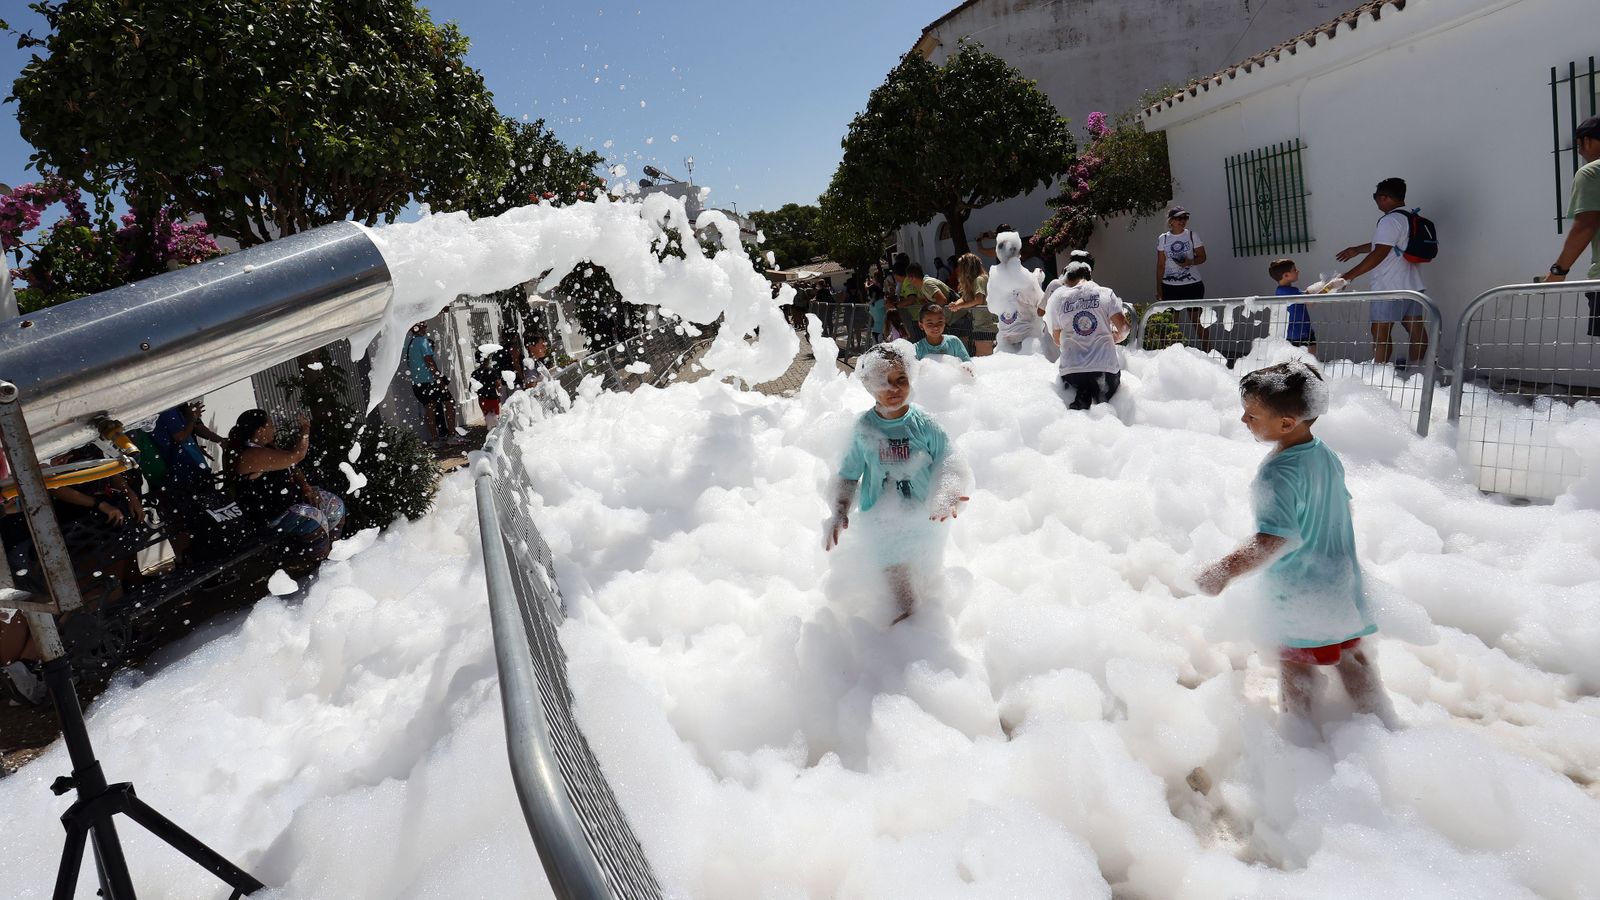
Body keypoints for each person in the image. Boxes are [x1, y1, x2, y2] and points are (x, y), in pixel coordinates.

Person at [1196, 362, 1396, 740]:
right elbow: (1343, 507)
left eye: (1252, 415)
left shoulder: (1278, 473)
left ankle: (1299, 739)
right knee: (1351, 654)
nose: (1243, 419)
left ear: (1287, 423)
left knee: (1296, 664)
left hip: (1300, 591)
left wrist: (1221, 571)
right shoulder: (1325, 455)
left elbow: (1275, 540)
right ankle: (1381, 720)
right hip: (1341, 581)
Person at [824, 342, 970, 624]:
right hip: (880, 517)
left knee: (924, 568)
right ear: (869, 385)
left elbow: (949, 458)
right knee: (895, 571)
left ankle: (924, 612)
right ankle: (909, 616)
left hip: (923, 513)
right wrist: (840, 508)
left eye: (901, 379)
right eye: (884, 382)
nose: (894, 389)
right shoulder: (864, 428)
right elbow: (849, 474)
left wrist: (949, 490)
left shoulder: (924, 423)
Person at [226, 409, 346, 561]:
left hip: (291, 503)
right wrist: (305, 428)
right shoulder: (249, 456)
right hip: (271, 517)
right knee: (314, 518)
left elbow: (293, 467)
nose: (274, 428)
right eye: (270, 425)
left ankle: (335, 552)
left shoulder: (268, 448)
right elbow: (297, 456)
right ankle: (320, 562)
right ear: (261, 430)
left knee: (334, 505)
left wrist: (306, 488)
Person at [1336, 178, 1429, 370]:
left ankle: (1379, 376)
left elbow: (1380, 252)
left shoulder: (1389, 221)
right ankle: (1417, 373)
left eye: (1375, 196)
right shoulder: (1409, 217)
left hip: (1388, 287)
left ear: (1384, 198)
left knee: (1380, 332)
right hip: (1412, 285)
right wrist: (1357, 249)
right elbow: (1386, 244)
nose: (1375, 201)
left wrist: (1347, 276)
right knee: (1416, 331)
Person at [1044, 256, 1130, 409]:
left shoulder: (1059, 299)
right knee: (1107, 410)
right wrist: (1116, 337)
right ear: (1089, 277)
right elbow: (1124, 328)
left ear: (1067, 279)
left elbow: (1057, 340)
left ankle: (1083, 395)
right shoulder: (1105, 293)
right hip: (1105, 370)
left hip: (1072, 372)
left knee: (1078, 398)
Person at [1543, 116, 1600, 337]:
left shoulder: (1591, 172)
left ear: (1587, 141)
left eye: (1578, 146)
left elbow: (1585, 226)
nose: (1580, 153)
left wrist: (1558, 271)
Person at [1156, 207, 1209, 353]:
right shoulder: (1164, 238)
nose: (1183, 221)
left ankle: (1209, 354)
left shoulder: (1192, 235)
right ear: (1171, 221)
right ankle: (1170, 355)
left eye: (1185, 218)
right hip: (1170, 286)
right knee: (1170, 324)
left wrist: (1189, 262)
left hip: (1192, 285)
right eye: (1179, 218)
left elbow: (1203, 257)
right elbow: (1160, 265)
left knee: (1197, 322)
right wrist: (1159, 288)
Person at [987, 232, 1047, 356]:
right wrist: (1037, 279)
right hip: (1027, 338)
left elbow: (992, 307)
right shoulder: (1025, 277)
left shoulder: (994, 276)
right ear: (1018, 252)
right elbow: (1040, 305)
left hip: (1005, 338)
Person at [405, 322, 460, 447]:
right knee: (449, 402)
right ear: (418, 328)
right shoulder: (422, 341)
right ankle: (451, 435)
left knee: (429, 409)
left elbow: (410, 364)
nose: (426, 327)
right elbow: (429, 361)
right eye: (423, 325)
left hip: (418, 384)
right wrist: (439, 378)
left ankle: (435, 440)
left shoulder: (410, 344)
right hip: (430, 382)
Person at [152, 400, 229, 488]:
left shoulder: (175, 406)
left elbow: (195, 427)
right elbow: (181, 437)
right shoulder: (168, 408)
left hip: (189, 464)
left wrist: (220, 441)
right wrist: (193, 418)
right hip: (186, 465)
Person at [1269, 259, 1318, 355]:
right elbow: (1310, 302)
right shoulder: (1291, 291)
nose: (1297, 271)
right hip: (1300, 332)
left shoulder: (1281, 291)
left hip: (1292, 332)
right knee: (1309, 361)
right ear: (1286, 275)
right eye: (1294, 270)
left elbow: (1305, 297)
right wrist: (1329, 288)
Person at [896, 263, 952, 343]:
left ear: (911, 277)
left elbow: (942, 300)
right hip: (951, 318)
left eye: (908, 278)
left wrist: (929, 313)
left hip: (957, 317)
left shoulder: (927, 284)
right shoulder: (923, 285)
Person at [952, 253, 995, 356]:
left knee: (982, 356)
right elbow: (965, 298)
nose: (959, 269)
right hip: (986, 324)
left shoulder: (979, 280)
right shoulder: (983, 278)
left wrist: (960, 306)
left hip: (983, 325)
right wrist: (956, 304)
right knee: (984, 356)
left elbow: (978, 300)